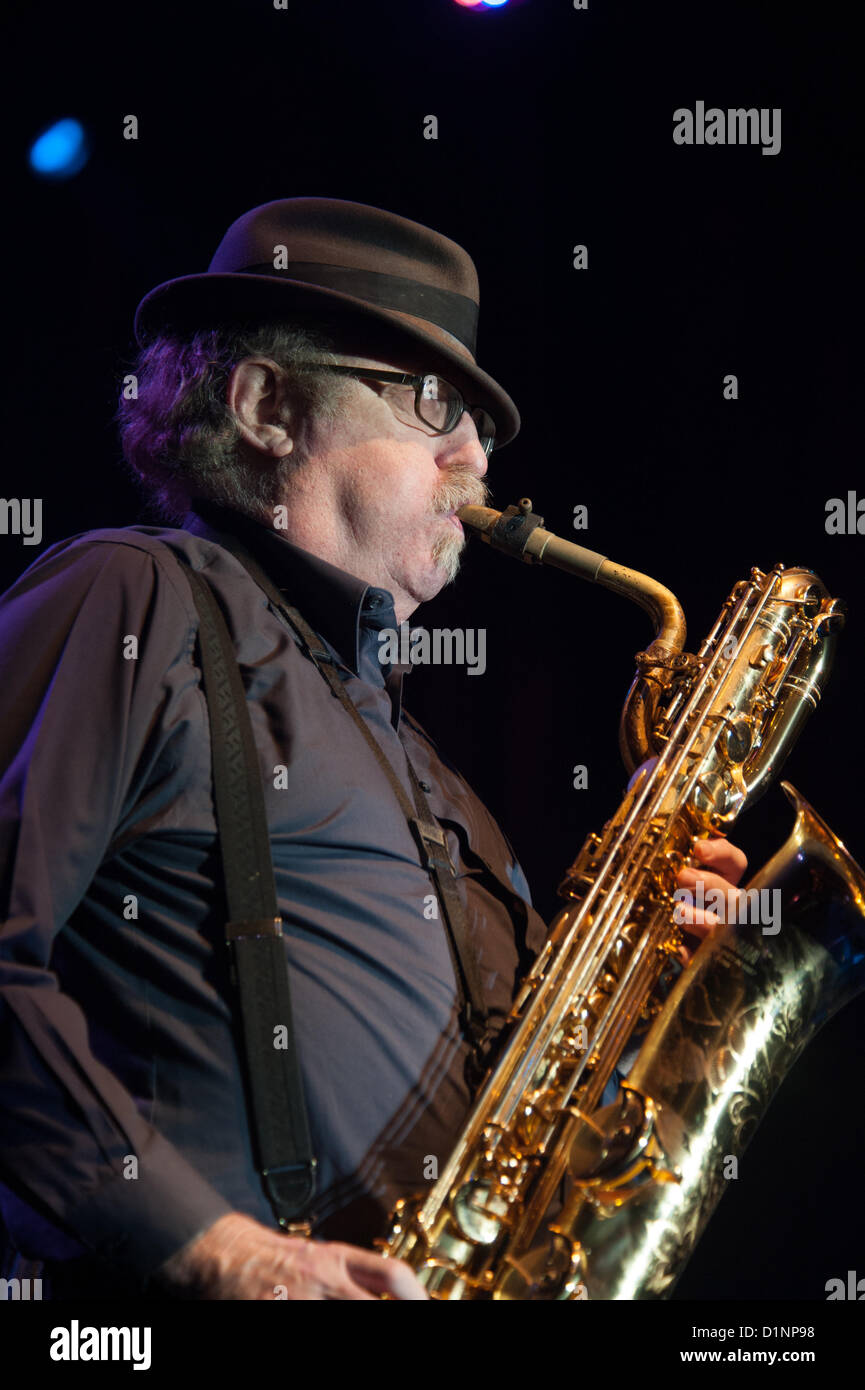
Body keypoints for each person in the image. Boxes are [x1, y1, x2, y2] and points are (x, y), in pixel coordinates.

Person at [0, 198, 747, 1301]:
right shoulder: (134, 592)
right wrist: (220, 1250)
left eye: (485, 427)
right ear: (266, 405)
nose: (475, 458)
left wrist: (656, 972)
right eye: (433, 403)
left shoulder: (432, 775)